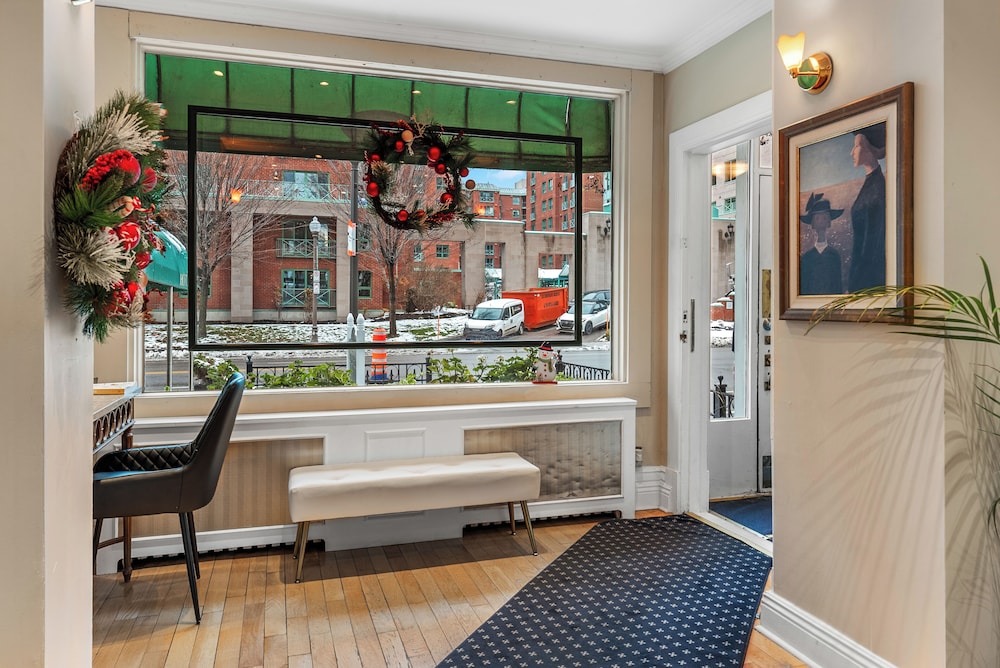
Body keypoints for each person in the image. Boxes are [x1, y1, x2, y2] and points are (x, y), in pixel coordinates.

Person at [847, 123, 887, 292]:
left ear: (869, 149)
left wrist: (857, 281)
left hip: (868, 279)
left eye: (856, 146)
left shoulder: (877, 188)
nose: (852, 152)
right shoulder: (871, 183)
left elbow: (872, 245)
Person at [799, 192, 844, 295]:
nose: (821, 222)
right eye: (817, 218)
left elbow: (838, 287)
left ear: (828, 222)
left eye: (824, 218)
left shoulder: (834, 256)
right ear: (813, 224)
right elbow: (804, 288)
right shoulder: (807, 258)